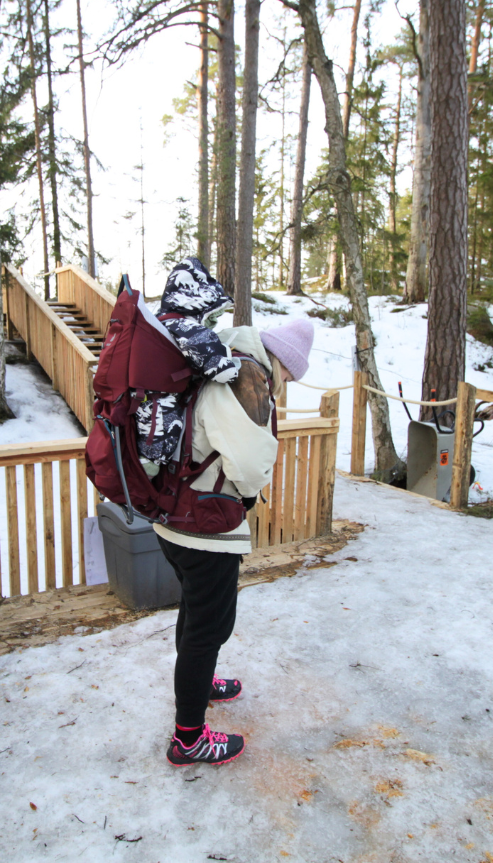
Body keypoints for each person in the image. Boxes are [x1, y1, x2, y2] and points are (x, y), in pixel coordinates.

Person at [156, 316, 315, 766]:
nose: (285, 383)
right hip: (204, 527)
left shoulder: (224, 363)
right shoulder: (245, 378)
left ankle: (200, 684)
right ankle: (188, 739)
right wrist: (249, 494)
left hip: (178, 516)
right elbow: (247, 462)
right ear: (284, 362)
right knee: (209, 629)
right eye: (290, 375)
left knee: (197, 614)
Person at [136, 258, 242, 476]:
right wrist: (237, 364)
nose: (214, 323)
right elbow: (223, 371)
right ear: (196, 302)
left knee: (144, 471)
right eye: (213, 316)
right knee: (150, 473)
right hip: (159, 424)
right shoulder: (185, 327)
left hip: (144, 410)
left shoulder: (159, 322)